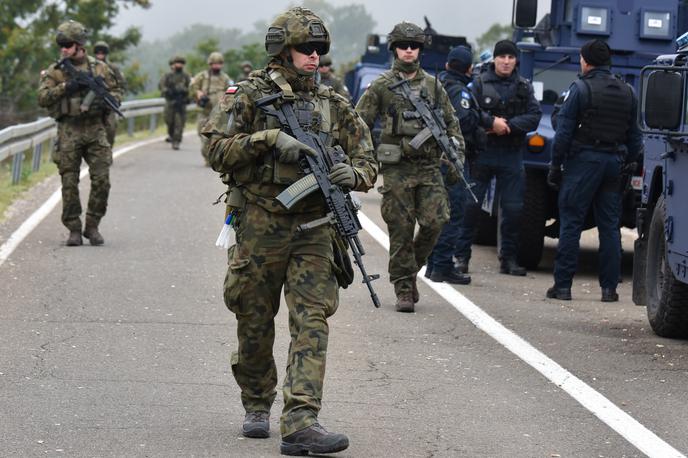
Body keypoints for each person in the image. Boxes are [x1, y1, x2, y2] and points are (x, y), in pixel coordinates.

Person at [202, 7, 377, 455]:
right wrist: (266, 141)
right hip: (261, 223)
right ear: (282, 48)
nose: (315, 56)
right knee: (255, 318)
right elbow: (215, 149)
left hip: (316, 228)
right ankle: (257, 403)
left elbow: (368, 163)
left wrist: (350, 176)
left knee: (312, 320)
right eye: (306, 48)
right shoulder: (249, 94)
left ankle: (301, 419)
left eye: (321, 49)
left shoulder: (335, 104)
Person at [356, 21, 466, 312]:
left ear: (419, 49)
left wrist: (457, 156)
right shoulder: (381, 86)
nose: (408, 50)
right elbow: (358, 124)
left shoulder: (434, 86)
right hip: (397, 169)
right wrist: (364, 156)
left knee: (436, 222)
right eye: (403, 46)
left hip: (429, 167)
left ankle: (408, 271)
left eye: (413, 46)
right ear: (394, 49)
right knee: (401, 230)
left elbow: (452, 125)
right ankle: (404, 288)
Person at [546, 39, 642, 302]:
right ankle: (609, 289)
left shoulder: (579, 89)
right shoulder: (628, 91)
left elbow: (563, 133)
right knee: (609, 227)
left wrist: (555, 166)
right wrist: (627, 162)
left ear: (586, 61)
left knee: (571, 222)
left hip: (583, 163)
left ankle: (563, 286)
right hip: (614, 165)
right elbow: (635, 138)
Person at [454, 39, 542, 276]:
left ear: (516, 61)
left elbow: (534, 116)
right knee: (471, 207)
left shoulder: (524, 86)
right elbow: (468, 112)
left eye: (510, 57)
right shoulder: (479, 84)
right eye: (501, 57)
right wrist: (491, 123)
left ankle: (509, 259)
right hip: (483, 152)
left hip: (511, 154)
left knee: (513, 210)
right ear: (494, 59)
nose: (505, 61)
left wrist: (509, 126)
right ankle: (461, 257)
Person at [38, 20, 121, 246]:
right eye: (61, 45)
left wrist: (107, 101)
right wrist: (66, 87)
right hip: (69, 131)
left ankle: (92, 225)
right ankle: (73, 227)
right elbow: (42, 98)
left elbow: (117, 91)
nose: (63, 48)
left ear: (80, 44)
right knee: (69, 181)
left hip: (95, 129)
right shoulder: (56, 71)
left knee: (102, 179)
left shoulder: (100, 68)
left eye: (67, 44)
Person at [427, 45, 486, 285]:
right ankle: (441, 265)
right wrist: (480, 119)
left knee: (439, 212)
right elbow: (462, 120)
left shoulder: (435, 85)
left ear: (448, 65)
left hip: (435, 158)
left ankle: (434, 264)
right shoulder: (458, 91)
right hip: (452, 158)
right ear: (469, 68)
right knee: (454, 212)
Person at [189, 52, 232, 165]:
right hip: (205, 112)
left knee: (217, 137)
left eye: (219, 64)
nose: (217, 66)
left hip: (219, 112)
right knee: (203, 136)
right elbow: (192, 88)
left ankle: (213, 159)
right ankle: (207, 157)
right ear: (210, 64)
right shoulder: (202, 76)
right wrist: (198, 93)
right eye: (214, 64)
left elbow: (232, 92)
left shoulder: (225, 78)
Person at [93, 41, 126, 147]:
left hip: (108, 102)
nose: (100, 55)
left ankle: (107, 150)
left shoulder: (112, 68)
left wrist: (115, 97)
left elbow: (121, 85)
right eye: (98, 53)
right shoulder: (90, 66)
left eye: (102, 53)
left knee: (110, 129)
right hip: (92, 102)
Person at [158, 55, 190, 150]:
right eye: (177, 63)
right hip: (170, 102)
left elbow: (191, 87)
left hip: (181, 103)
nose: (179, 65)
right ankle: (171, 135)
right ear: (174, 64)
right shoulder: (168, 76)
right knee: (169, 121)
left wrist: (186, 94)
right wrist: (167, 91)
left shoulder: (186, 76)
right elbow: (161, 86)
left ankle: (176, 141)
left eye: (181, 63)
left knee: (179, 123)